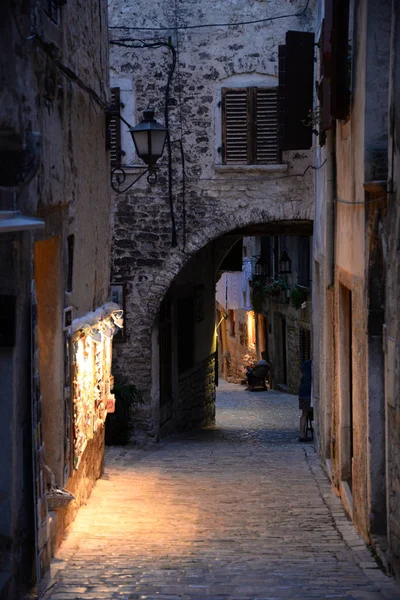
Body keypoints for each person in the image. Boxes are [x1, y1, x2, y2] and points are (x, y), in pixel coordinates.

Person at [298, 359, 312, 442]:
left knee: (304, 414)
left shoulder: (303, 376)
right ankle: (302, 435)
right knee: (307, 413)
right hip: (309, 393)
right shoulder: (313, 366)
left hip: (302, 393)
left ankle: (301, 434)